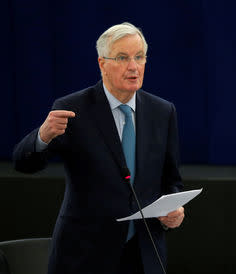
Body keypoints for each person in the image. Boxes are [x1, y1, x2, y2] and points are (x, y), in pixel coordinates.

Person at [12, 22, 184, 274]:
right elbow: (24, 164)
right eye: (123, 58)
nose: (134, 67)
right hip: (85, 254)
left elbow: (171, 179)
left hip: (144, 254)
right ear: (102, 63)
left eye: (139, 57)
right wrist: (42, 136)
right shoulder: (73, 108)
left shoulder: (163, 111)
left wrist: (174, 210)